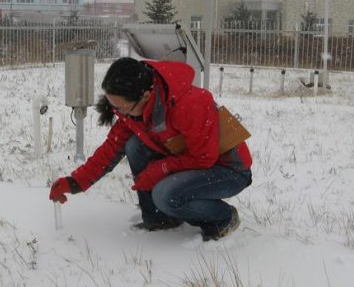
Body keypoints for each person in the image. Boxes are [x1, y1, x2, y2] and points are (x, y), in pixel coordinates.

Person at [49, 57, 252, 241]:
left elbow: (204, 159)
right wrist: (74, 183)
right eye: (113, 106)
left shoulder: (189, 104)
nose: (117, 113)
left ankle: (223, 218)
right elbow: (111, 149)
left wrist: (158, 171)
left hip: (227, 170)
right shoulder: (137, 110)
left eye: (120, 107)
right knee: (135, 146)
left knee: (166, 195)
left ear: (145, 96)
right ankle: (161, 220)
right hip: (192, 159)